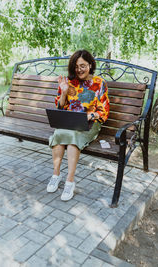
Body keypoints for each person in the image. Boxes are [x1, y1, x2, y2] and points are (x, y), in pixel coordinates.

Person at [47, 50, 110, 201]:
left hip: (90, 123)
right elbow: (61, 108)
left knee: (73, 136)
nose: (79, 70)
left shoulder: (99, 83)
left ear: (90, 65)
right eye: (76, 66)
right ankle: (56, 174)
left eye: (82, 66)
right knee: (58, 133)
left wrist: (90, 115)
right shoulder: (69, 82)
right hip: (69, 122)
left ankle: (70, 181)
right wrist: (63, 92)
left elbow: (104, 111)